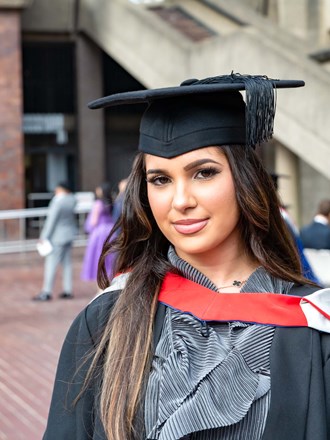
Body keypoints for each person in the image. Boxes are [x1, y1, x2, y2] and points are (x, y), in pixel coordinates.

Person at [43, 74, 330, 440]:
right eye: (160, 179)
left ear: (245, 180)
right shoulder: (106, 320)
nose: (180, 201)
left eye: (204, 173)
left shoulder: (313, 322)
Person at [33, 182, 77, 301]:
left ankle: (46, 291)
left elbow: (51, 221)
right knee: (67, 264)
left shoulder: (58, 201)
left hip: (57, 237)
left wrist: (43, 237)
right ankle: (68, 290)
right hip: (69, 235)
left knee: (51, 264)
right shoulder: (72, 200)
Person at [81, 182, 115, 282]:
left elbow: (93, 221)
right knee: (109, 258)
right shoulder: (110, 202)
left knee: (98, 258)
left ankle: (100, 286)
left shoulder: (98, 203)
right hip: (110, 231)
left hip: (99, 233)